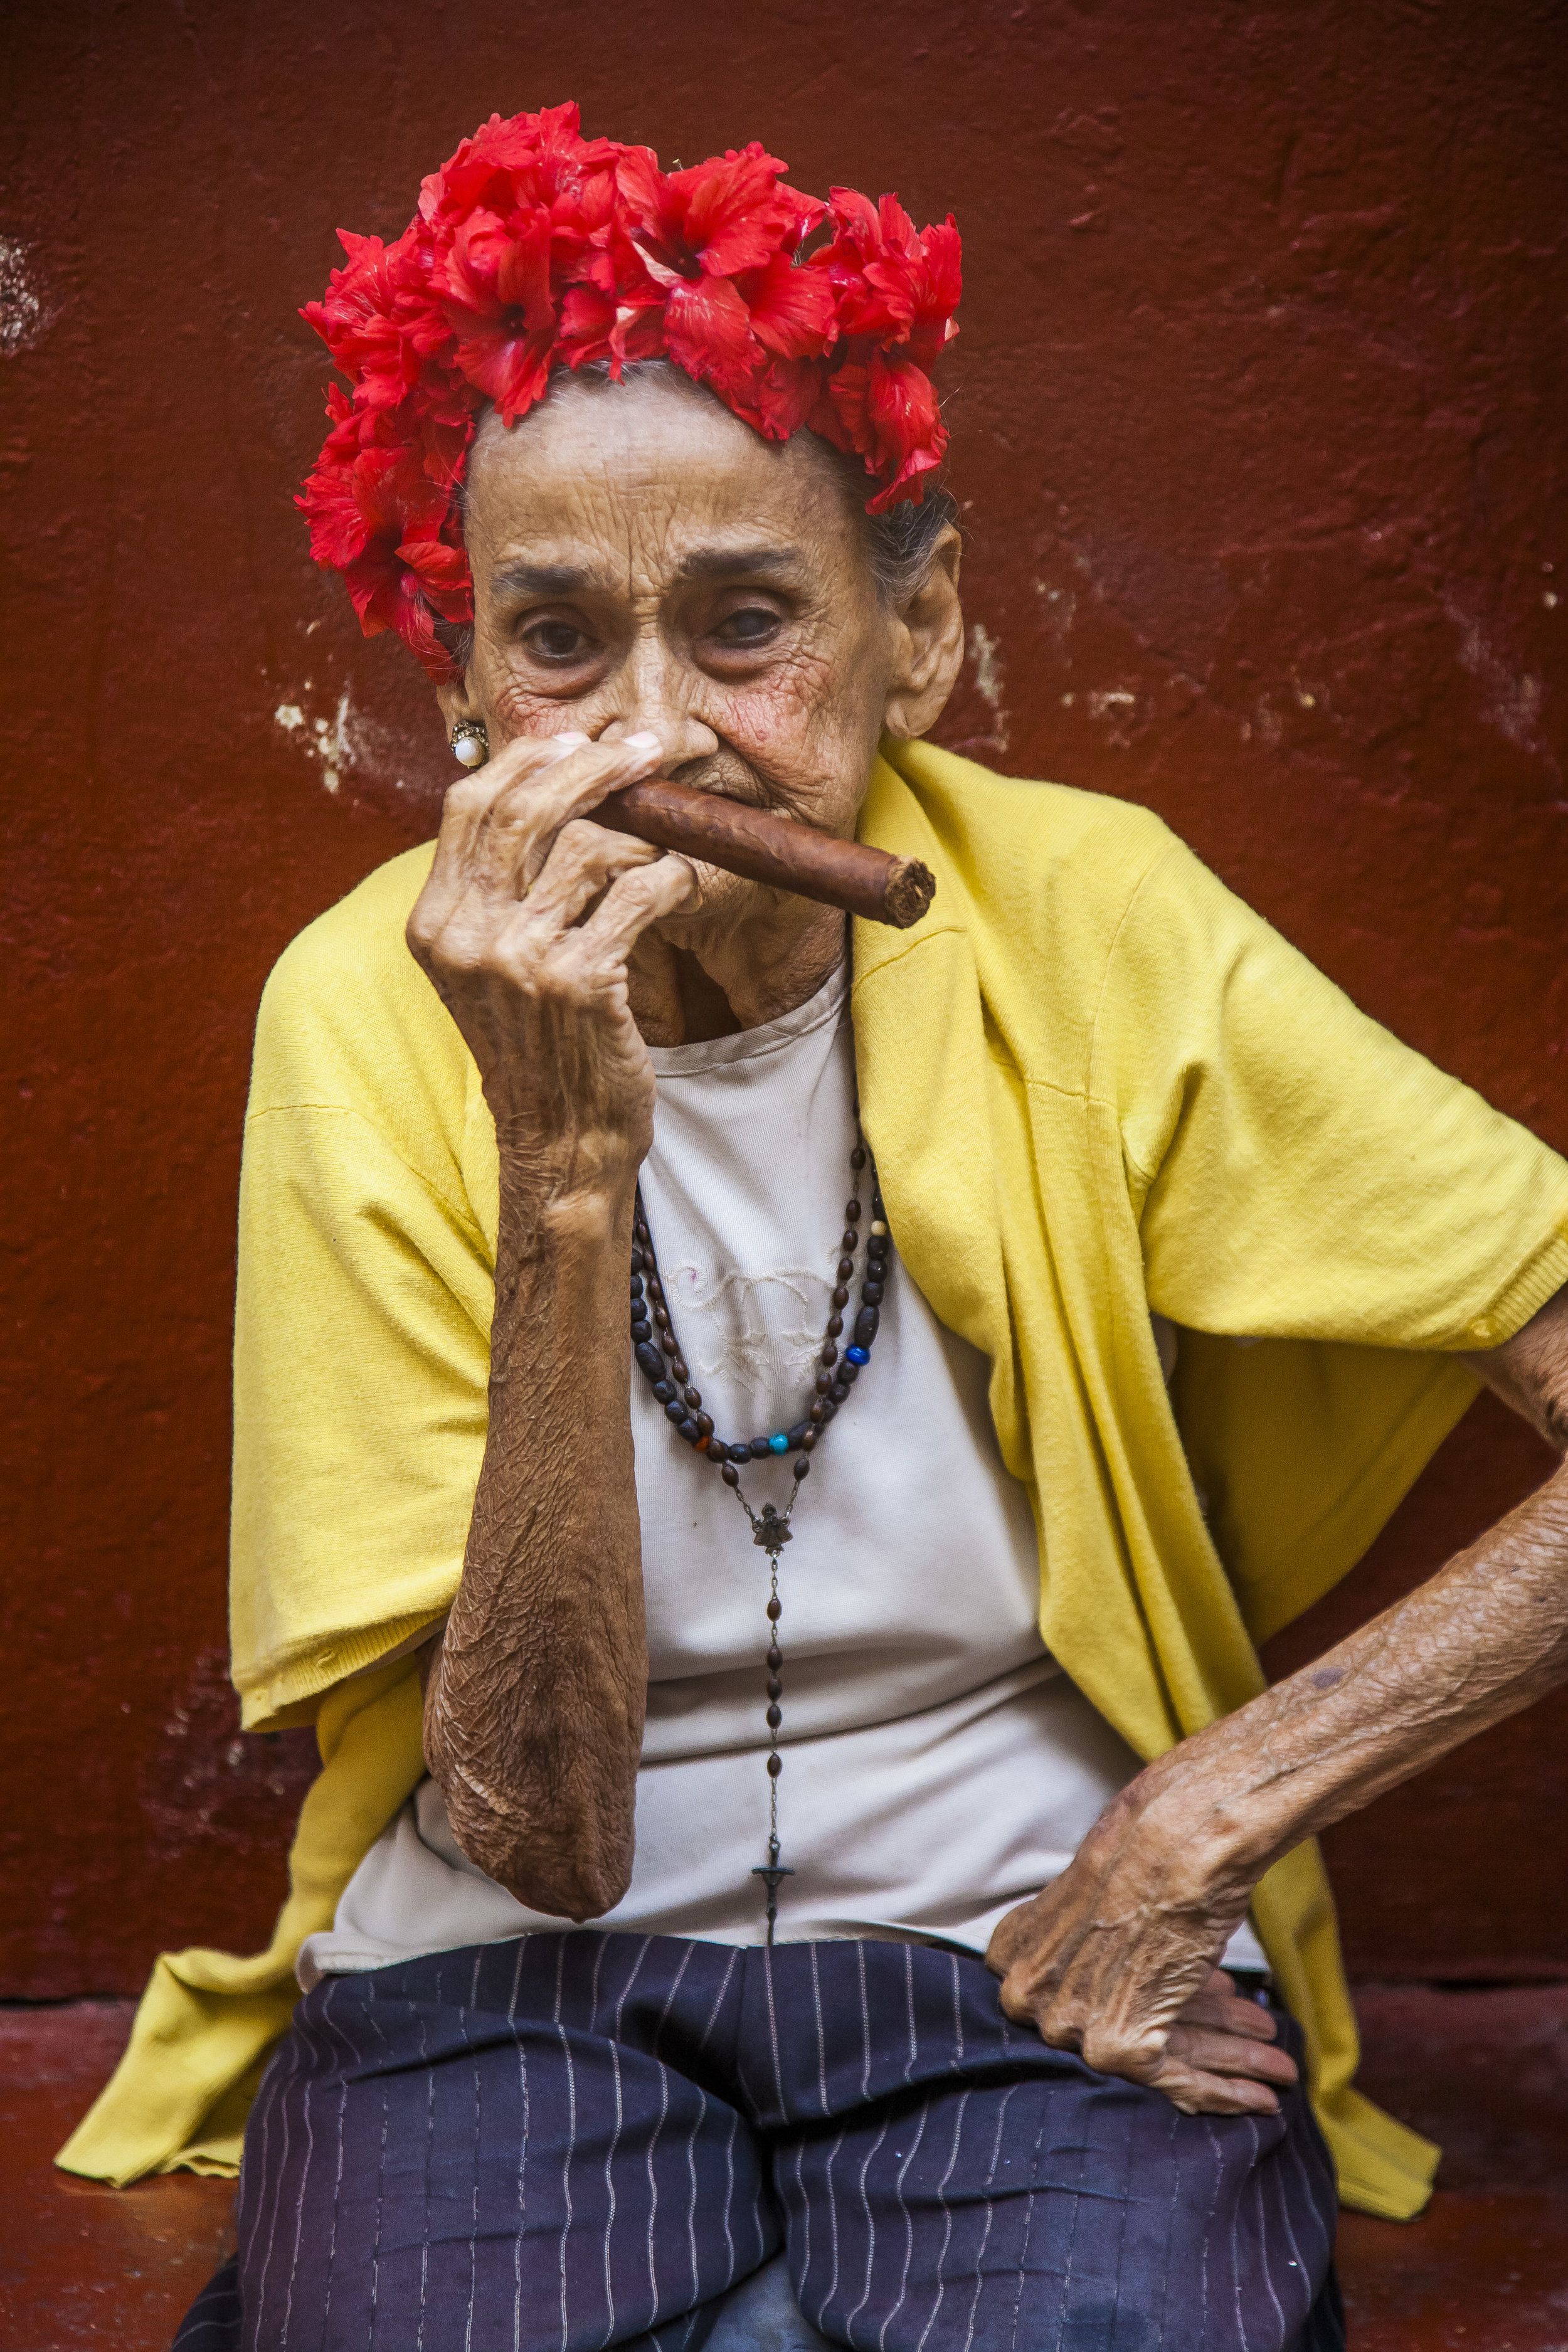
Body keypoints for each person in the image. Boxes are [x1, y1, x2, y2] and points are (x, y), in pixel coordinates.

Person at [61, 109, 1568, 2352]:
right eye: (554, 643)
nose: (655, 728)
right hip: (515, 1953)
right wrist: (564, 1168)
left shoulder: (1090, 918)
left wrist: (1194, 1826)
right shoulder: (364, 1009)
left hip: (1026, 1923)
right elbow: (544, 1836)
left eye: (748, 624)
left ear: (920, 633)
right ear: (465, 685)